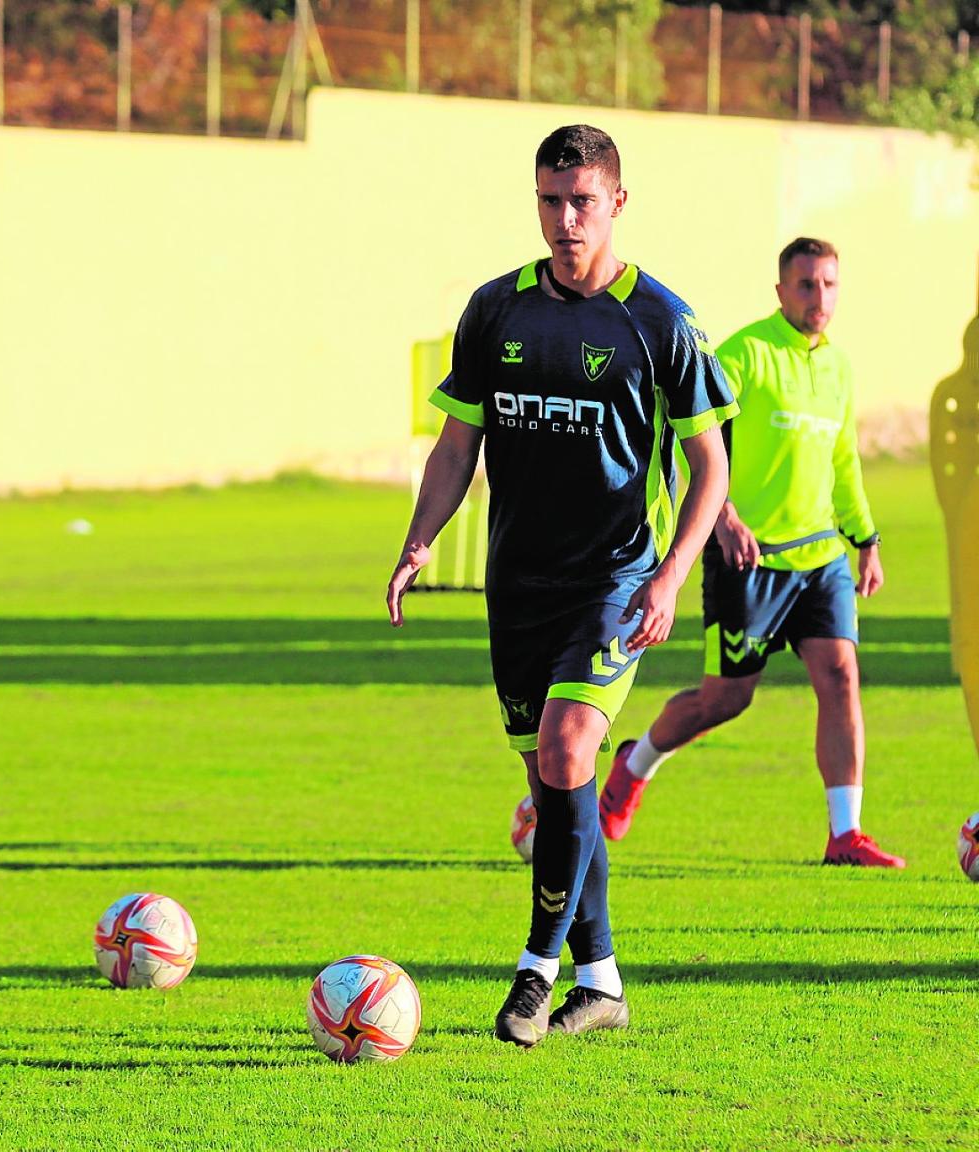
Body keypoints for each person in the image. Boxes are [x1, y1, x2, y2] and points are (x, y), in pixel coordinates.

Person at [386, 125, 737, 1048]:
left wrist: (669, 579)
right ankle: (603, 981)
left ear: (619, 200)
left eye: (583, 200)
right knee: (555, 787)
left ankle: (534, 974)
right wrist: (421, 540)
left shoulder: (662, 321)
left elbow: (711, 470)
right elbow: (457, 444)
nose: (565, 219)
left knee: (570, 743)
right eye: (550, 199)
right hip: (520, 587)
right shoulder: (495, 311)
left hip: (617, 579)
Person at [600, 237, 904, 869]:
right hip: (749, 561)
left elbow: (843, 462)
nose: (819, 297)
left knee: (842, 677)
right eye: (805, 285)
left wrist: (865, 538)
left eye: (828, 285)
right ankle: (636, 764)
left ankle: (845, 834)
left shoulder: (840, 368)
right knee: (725, 700)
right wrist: (724, 518)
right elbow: (698, 445)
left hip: (821, 559)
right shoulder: (744, 354)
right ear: (780, 290)